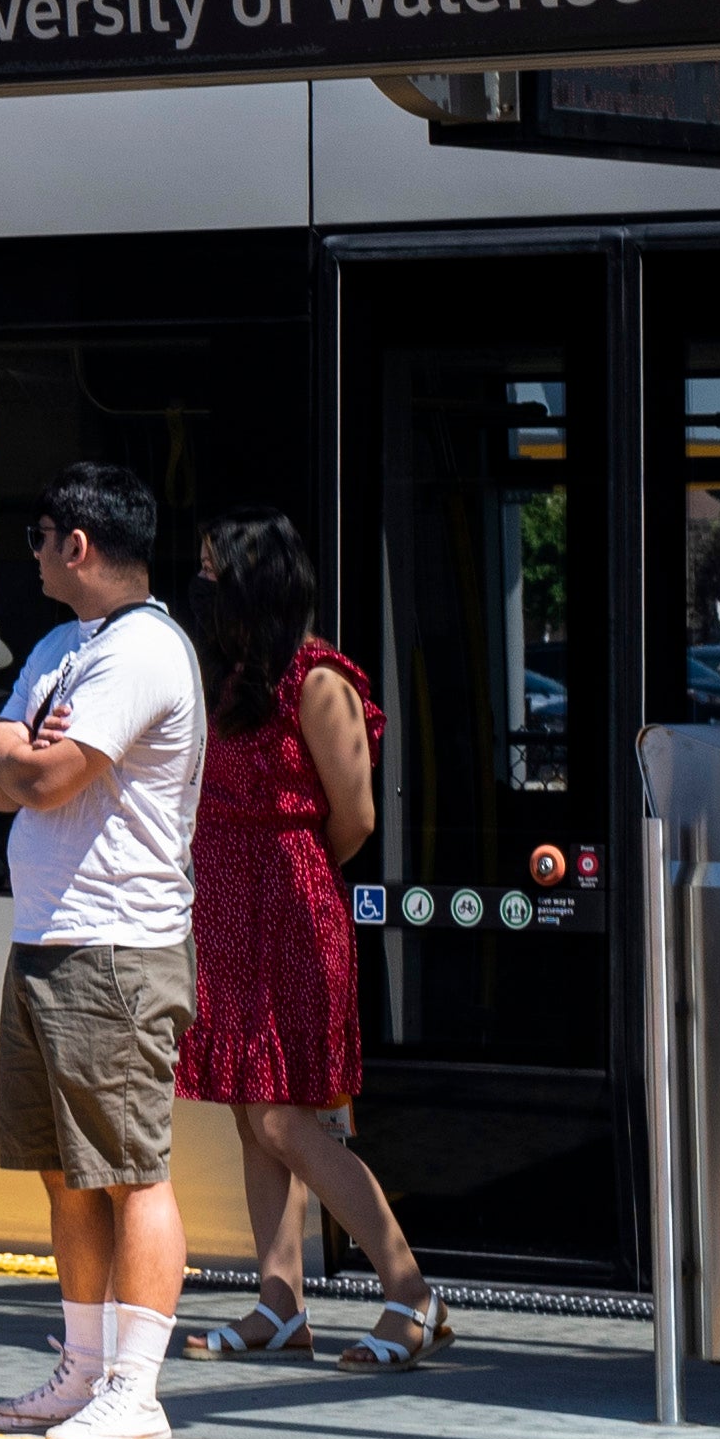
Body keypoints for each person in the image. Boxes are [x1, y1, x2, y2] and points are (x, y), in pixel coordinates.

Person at [0, 459, 213, 1439]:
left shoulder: (143, 652)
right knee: (67, 1172)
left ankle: (135, 1388)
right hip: (47, 938)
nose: (29, 554)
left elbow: (50, 772)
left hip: (114, 944)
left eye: (37, 537)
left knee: (128, 1169)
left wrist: (18, 755)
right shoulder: (67, 642)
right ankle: (81, 1368)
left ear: (76, 543)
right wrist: (9, 748)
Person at [172, 516, 446, 1374]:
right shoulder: (230, 676)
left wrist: (282, 872)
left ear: (257, 584)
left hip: (292, 912)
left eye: (216, 573)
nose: (202, 588)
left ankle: (411, 1292)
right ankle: (280, 1302)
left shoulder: (318, 678)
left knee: (288, 1118)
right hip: (227, 914)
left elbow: (355, 816)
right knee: (254, 1116)